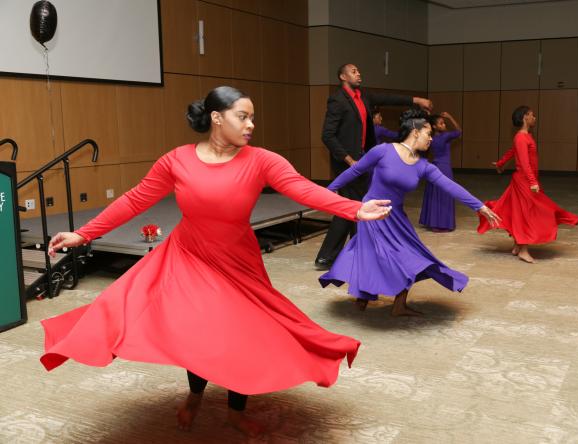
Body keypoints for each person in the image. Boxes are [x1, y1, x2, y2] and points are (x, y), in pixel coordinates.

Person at [40, 86, 392, 436]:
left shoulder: (262, 160)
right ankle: (195, 395)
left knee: (242, 336)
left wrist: (355, 209)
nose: (251, 124)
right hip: (189, 257)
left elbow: (303, 189)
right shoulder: (176, 160)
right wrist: (84, 234)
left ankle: (236, 411)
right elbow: (134, 200)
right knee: (199, 333)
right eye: (243, 116)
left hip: (237, 262)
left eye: (253, 117)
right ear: (217, 118)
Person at [319, 109, 501, 316]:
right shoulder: (383, 151)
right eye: (428, 133)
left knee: (412, 255)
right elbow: (355, 170)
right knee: (374, 253)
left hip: (396, 216)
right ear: (415, 131)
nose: (431, 138)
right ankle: (364, 295)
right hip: (372, 212)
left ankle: (399, 304)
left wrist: (479, 206)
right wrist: (329, 190)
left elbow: (449, 186)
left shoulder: (423, 166)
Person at [314, 63, 433, 270]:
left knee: (355, 206)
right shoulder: (337, 100)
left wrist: (416, 100)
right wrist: (349, 160)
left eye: (359, 70)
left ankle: (335, 256)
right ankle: (346, 255)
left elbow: (388, 98)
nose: (358, 73)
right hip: (348, 164)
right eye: (353, 71)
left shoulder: (364, 97)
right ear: (342, 76)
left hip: (364, 161)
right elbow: (327, 135)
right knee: (354, 207)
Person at [478, 105, 578, 263]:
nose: (534, 118)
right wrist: (532, 182)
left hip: (526, 180)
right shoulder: (521, 137)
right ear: (525, 117)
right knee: (527, 214)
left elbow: (513, 152)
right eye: (532, 115)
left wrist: (500, 163)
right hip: (524, 181)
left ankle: (518, 245)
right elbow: (524, 162)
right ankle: (523, 250)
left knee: (519, 212)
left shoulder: (525, 136)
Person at [419, 112, 462, 232]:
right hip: (444, 167)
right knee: (445, 194)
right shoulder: (445, 136)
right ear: (434, 126)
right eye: (441, 123)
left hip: (434, 166)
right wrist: (450, 117)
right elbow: (459, 131)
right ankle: (443, 224)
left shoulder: (431, 138)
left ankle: (433, 222)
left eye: (444, 123)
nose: (444, 125)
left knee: (435, 195)